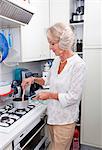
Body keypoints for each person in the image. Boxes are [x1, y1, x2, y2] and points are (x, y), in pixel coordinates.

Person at [21, 22, 86, 150]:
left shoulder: (78, 65)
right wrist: (33, 79)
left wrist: (49, 95)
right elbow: (48, 81)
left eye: (52, 43)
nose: (50, 47)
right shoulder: (57, 61)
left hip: (65, 122)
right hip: (52, 118)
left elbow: (73, 97)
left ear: (63, 42)